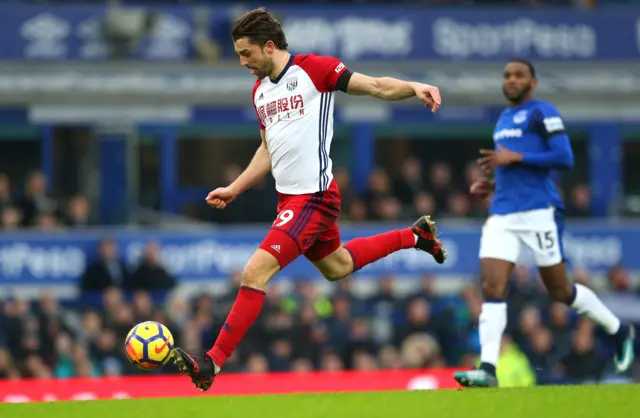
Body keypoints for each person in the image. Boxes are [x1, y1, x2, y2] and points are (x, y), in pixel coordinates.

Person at [171, 7, 447, 391]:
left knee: (254, 273)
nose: (242, 62)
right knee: (337, 266)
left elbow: (377, 87)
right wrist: (235, 187)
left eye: (246, 53)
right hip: (290, 202)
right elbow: (267, 150)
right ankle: (416, 236)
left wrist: (414, 86)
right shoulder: (260, 91)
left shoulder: (314, 70)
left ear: (269, 47)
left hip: (313, 198)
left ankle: (211, 362)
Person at [453, 59, 635, 388]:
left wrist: (516, 158)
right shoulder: (504, 119)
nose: (511, 80)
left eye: (518, 75)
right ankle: (488, 369)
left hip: (539, 210)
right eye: (506, 75)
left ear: (532, 82)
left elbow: (564, 158)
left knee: (560, 289)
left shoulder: (543, 112)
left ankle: (619, 329)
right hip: (503, 213)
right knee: (492, 288)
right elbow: (515, 170)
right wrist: (494, 186)